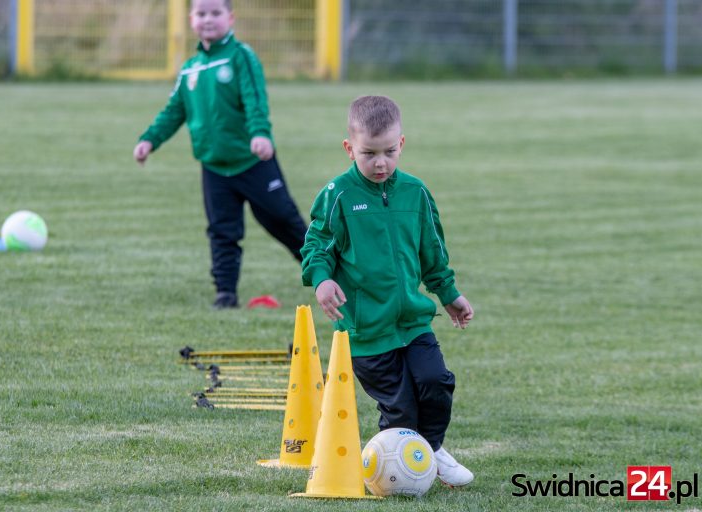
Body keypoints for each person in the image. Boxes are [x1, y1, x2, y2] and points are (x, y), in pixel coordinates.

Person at [301, 95, 476, 487]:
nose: (380, 163)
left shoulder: (415, 193)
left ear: (402, 144)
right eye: (369, 153)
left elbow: (432, 251)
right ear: (350, 149)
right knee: (400, 408)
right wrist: (322, 279)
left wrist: (448, 294)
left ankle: (430, 452)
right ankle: (396, 470)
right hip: (367, 332)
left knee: (436, 383)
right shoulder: (338, 195)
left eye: (389, 152)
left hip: (413, 322)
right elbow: (316, 245)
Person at [133, 0, 307, 309]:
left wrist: (260, 134)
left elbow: (255, 99)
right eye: (201, 14)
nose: (208, 19)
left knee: (283, 219)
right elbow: (174, 111)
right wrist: (149, 140)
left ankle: (328, 273)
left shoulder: (242, 56)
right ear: (191, 19)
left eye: (215, 13)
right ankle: (225, 293)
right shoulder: (190, 68)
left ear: (231, 17)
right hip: (214, 167)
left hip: (253, 162)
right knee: (222, 231)